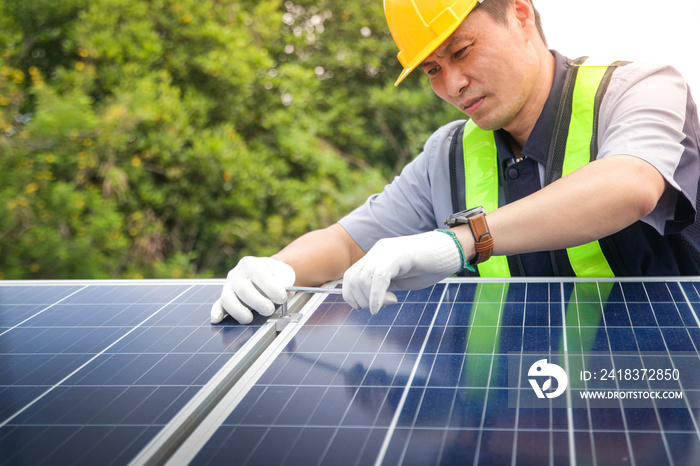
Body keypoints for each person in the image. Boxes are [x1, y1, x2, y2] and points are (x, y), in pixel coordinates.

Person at [211, 0, 700, 324]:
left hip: (654, 388)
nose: (452, 85)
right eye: (432, 70)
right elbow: (345, 243)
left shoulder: (640, 89)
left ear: (520, 14)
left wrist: (461, 241)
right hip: (502, 412)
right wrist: (274, 269)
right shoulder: (445, 155)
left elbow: (632, 183)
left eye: (462, 51)